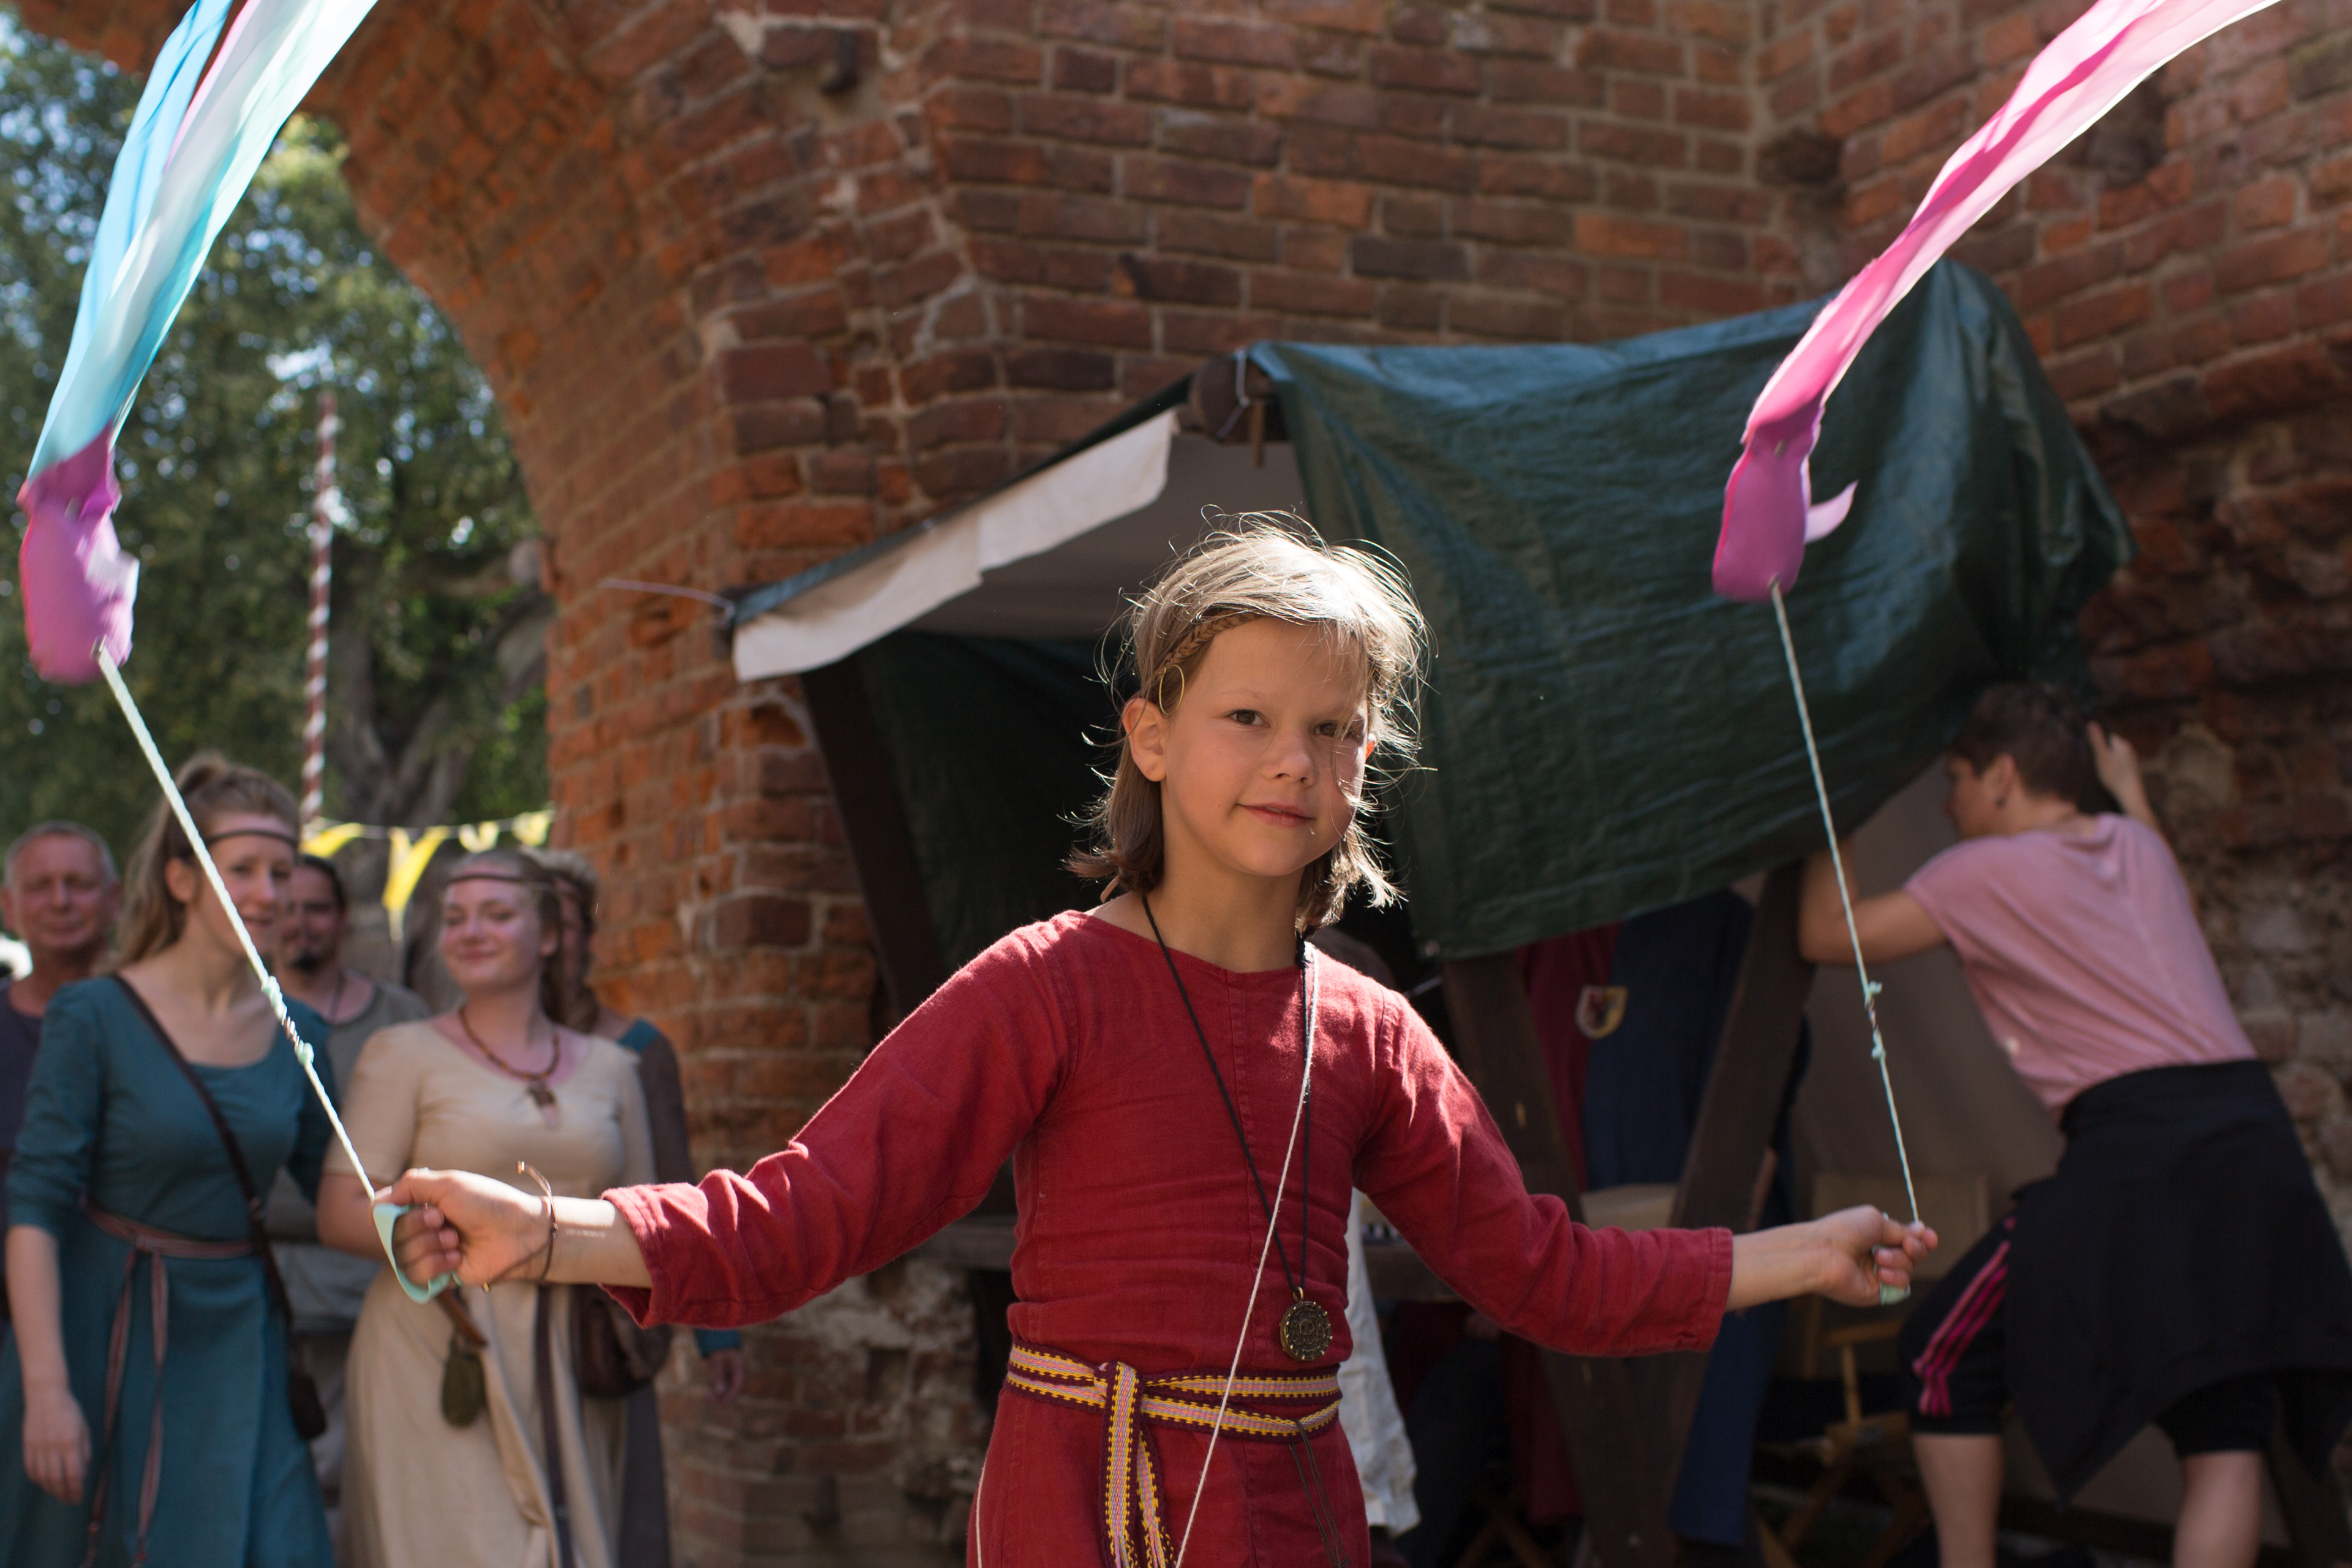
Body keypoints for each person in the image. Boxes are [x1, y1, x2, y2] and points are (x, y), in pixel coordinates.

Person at [380, 521, 1932, 1566]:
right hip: (1088, 1505)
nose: (1291, 758)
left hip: (1297, 1505)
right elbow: (802, 1215)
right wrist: (545, 1230)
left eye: (1332, 728)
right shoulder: (1044, 985)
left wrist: (1800, 1253)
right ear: (1151, 735)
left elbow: (1542, 1272)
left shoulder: (1374, 1031)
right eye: (1247, 716)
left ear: (1367, 760)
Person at [1797, 682, 2352, 1568]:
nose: (1947, 805)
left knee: (1939, 1357)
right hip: (2253, 1133)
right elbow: (2184, 913)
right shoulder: (2137, 845)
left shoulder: (1982, 871)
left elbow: (1830, 935)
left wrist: (1839, 802)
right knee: (2224, 1428)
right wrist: (2129, 790)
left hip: (2144, 1142)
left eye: (1957, 779)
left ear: (2003, 776)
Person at [0, 757, 335, 1564]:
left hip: (241, 1339)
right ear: (182, 879)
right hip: (97, 1331)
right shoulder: (93, 1014)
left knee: (281, 1546)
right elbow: (35, 1205)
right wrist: (47, 1389)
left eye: (282, 870)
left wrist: (450, 1218)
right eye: (241, 869)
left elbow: (344, 1196)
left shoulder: (301, 1032)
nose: (268, 892)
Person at [315, 848, 654, 1568]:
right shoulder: (402, 1051)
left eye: (497, 914)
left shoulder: (617, 1069)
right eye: (455, 917)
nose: (470, 932)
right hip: (441, 1336)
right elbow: (341, 1206)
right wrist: (423, 1234)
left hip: (571, 1346)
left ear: (551, 934)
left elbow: (645, 1221)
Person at [529, 846, 744, 1568]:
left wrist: (716, 1333)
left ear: (586, 935)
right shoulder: (464, 1046)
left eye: (561, 922)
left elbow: (675, 1188)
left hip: (607, 1317)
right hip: (503, 1307)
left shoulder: (637, 1050)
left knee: (622, 1505)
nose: (548, 941)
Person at [267, 853, 431, 1515]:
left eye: (316, 908)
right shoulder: (236, 1015)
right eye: (286, 908)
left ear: (342, 919)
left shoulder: (401, 1014)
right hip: (256, 1272)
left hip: (364, 1275)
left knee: (358, 1469)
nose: (300, 922)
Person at [0, 823, 119, 1282]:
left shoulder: (158, 1023)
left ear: (115, 899)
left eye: (79, 883)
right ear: (8, 907)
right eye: (39, 886)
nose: (60, 901)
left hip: (133, 1300)